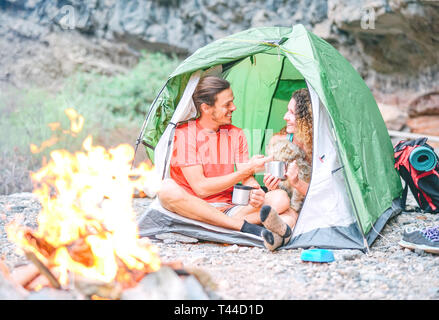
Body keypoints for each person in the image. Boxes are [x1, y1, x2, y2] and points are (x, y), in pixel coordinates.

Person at [158, 76, 293, 251]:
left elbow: (247, 178)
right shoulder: (185, 135)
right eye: (227, 104)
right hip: (194, 208)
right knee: (166, 190)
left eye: (233, 102)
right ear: (206, 108)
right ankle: (243, 228)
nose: (233, 108)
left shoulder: (236, 134)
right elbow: (201, 188)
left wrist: (255, 191)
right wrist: (243, 173)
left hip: (229, 209)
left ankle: (222, 226)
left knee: (280, 198)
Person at [263, 88, 313, 229]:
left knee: (293, 217)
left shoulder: (321, 148)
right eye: (287, 111)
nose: (285, 117)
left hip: (315, 209)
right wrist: (270, 186)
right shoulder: (279, 144)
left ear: (307, 118)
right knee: (288, 214)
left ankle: (276, 233)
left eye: (292, 113)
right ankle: (276, 234)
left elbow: (323, 196)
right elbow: (276, 193)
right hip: (287, 208)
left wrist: (297, 183)